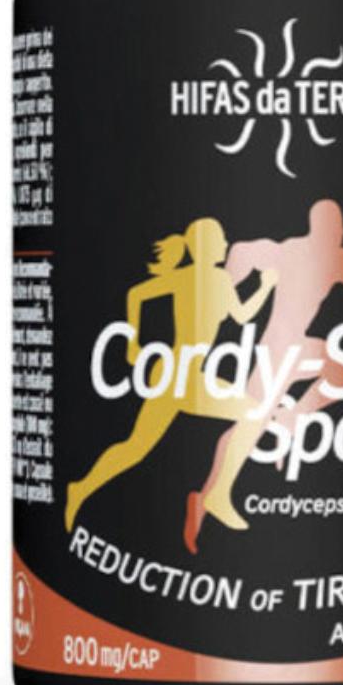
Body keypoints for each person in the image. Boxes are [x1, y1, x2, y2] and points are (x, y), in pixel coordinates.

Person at [184, 200, 343, 552]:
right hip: (277, 349)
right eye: (338, 226)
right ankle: (207, 498)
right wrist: (226, 280)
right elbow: (247, 249)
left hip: (297, 347)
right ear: (322, 227)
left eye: (342, 227)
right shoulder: (306, 252)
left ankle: (291, 416)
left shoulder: (325, 257)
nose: (342, 232)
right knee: (249, 425)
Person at [64, 217, 276, 532]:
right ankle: (219, 494)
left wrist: (134, 341)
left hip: (175, 373)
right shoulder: (216, 279)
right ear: (206, 245)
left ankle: (80, 488)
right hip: (182, 377)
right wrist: (266, 286)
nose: (225, 244)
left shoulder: (190, 277)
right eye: (220, 239)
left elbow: (136, 294)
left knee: (135, 447)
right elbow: (244, 316)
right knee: (253, 414)